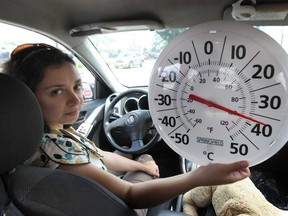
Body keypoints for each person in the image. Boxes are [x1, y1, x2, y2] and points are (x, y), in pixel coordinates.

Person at [3, 43, 251, 215]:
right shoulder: (54, 150)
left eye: (77, 86)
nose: (76, 100)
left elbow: (96, 156)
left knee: (140, 159)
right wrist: (199, 177)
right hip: (123, 207)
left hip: (99, 194)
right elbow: (131, 194)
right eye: (57, 91)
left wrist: (140, 166)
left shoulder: (48, 136)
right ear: (27, 97)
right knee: (148, 157)